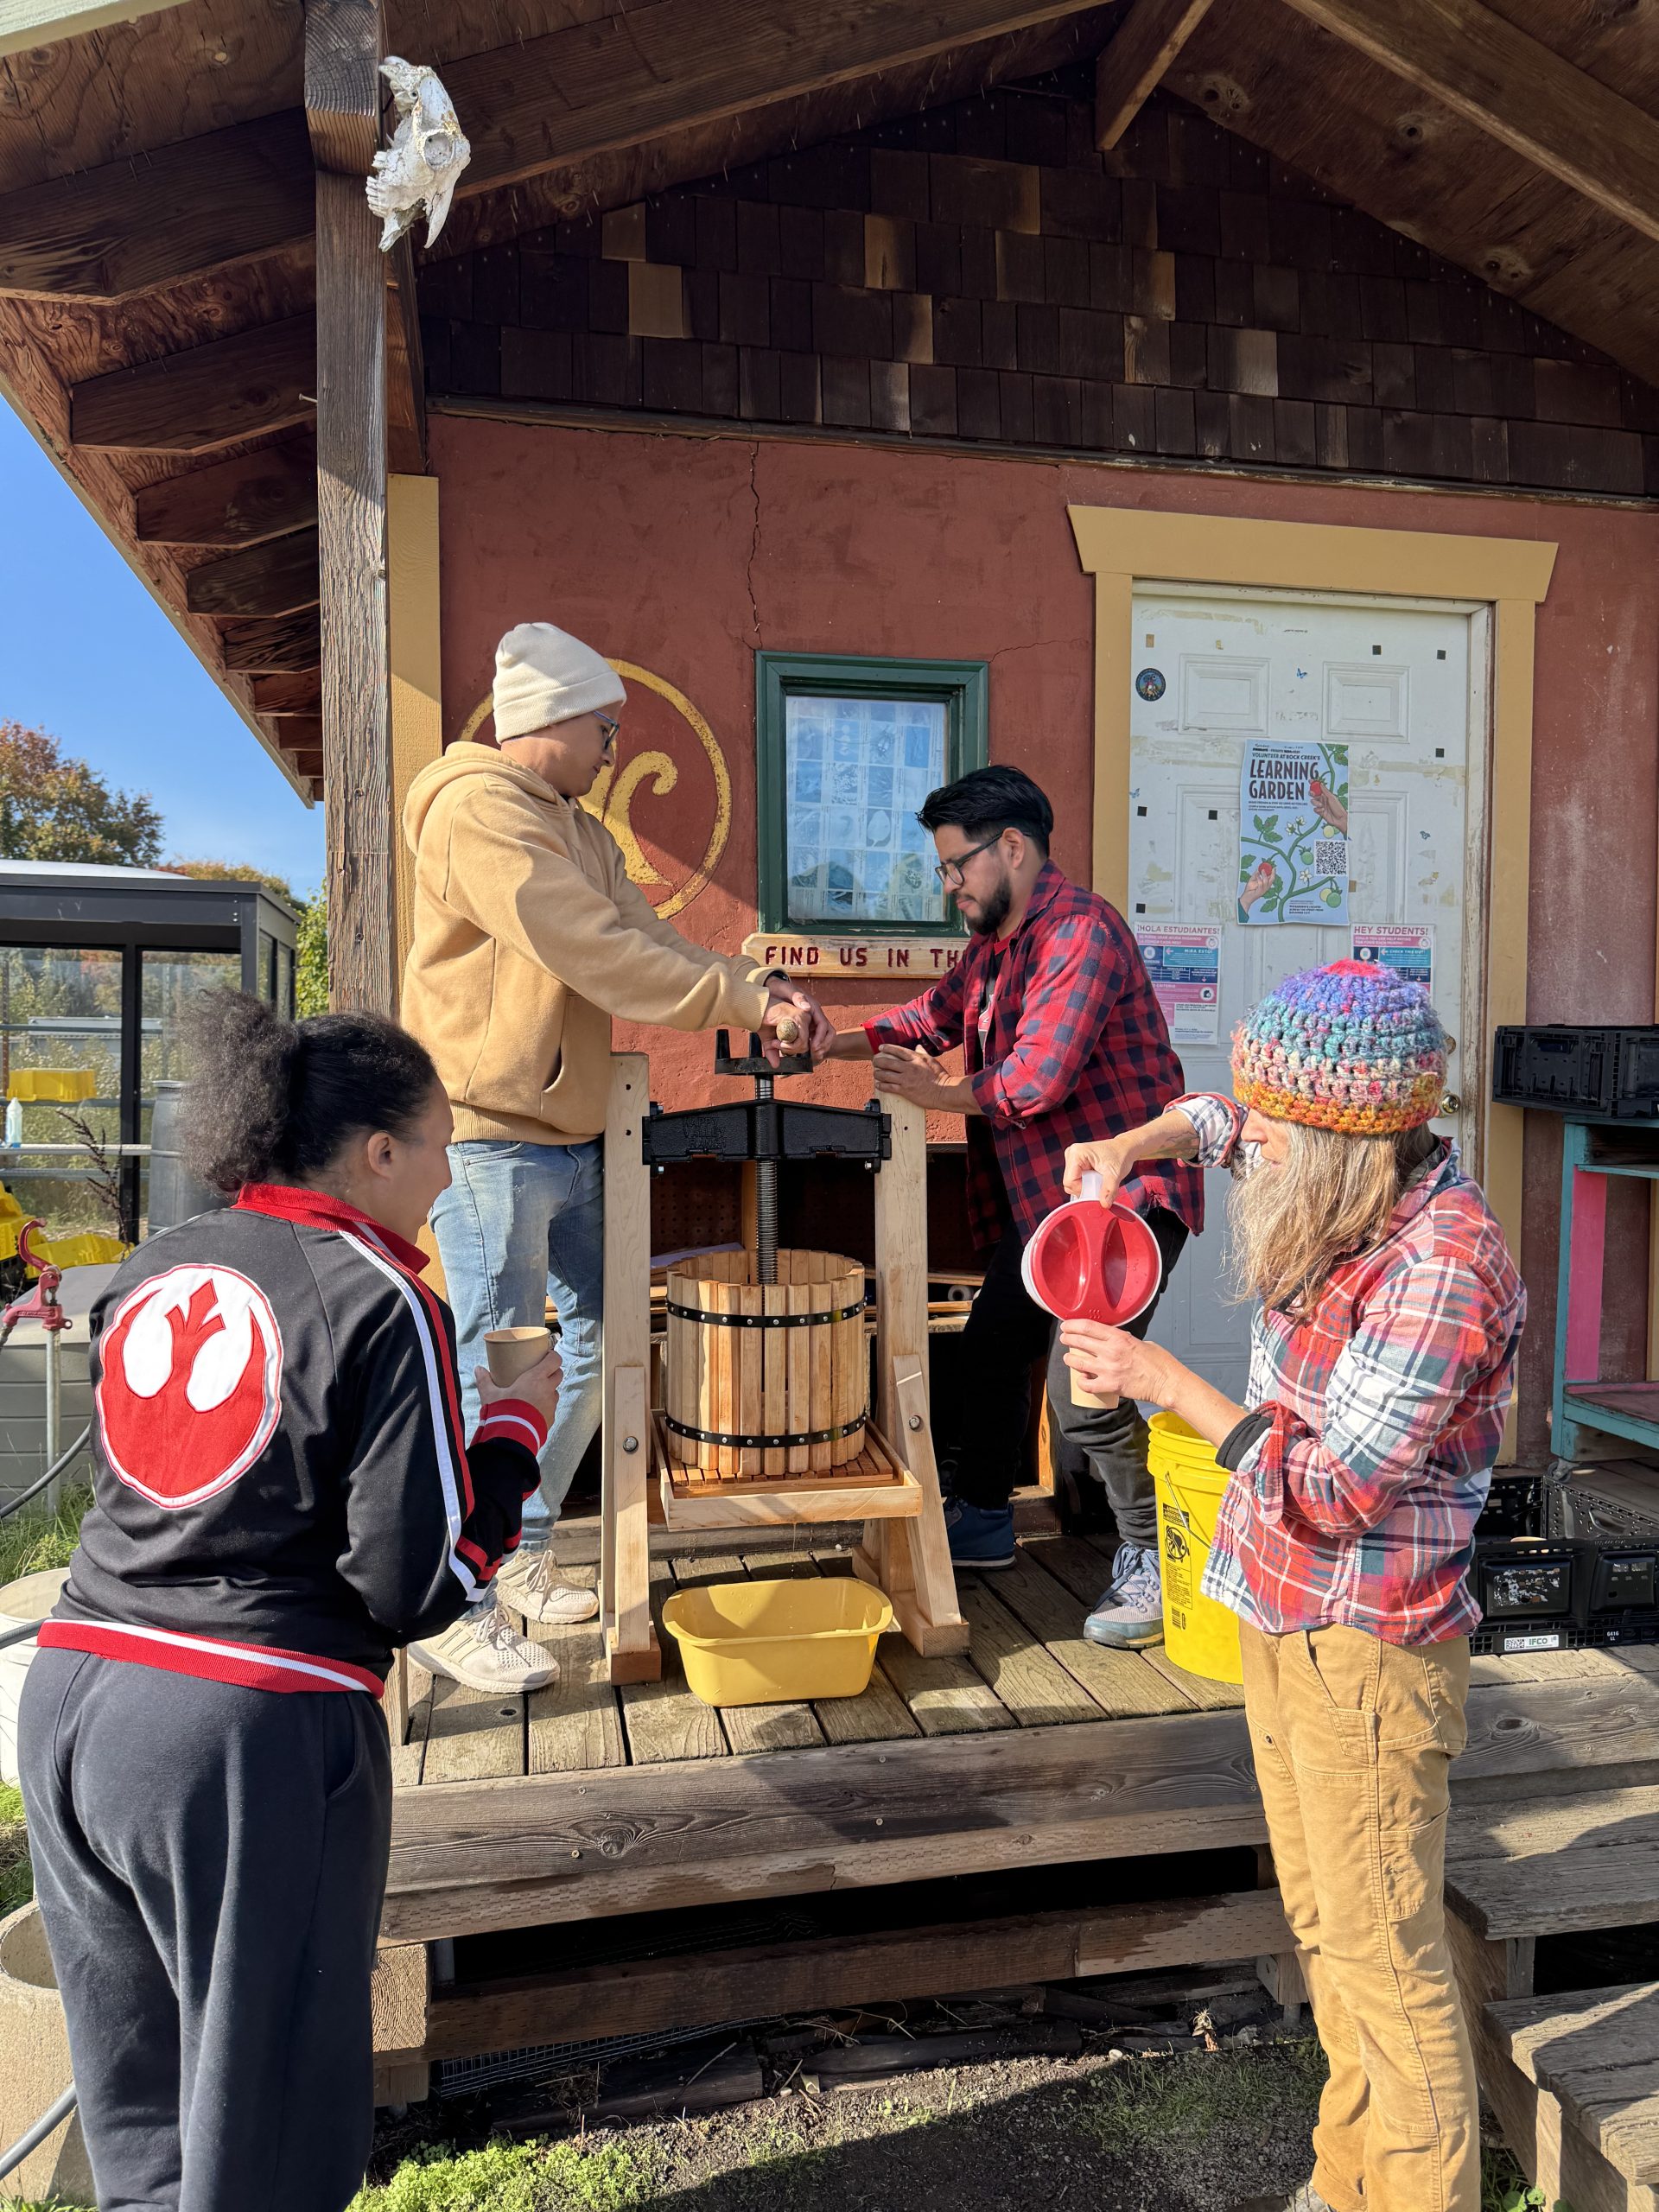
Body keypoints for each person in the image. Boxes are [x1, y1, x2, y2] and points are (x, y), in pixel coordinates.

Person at [19, 991, 559, 2212]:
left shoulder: (159, 1261)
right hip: (241, 1733)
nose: (447, 1175)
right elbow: (414, 1584)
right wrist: (514, 1436)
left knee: (146, 2122)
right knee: (261, 2131)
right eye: (440, 1146)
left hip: (73, 1697)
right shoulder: (384, 1297)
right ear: (379, 1152)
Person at [1058, 960, 1523, 2212]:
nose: (1247, 1137)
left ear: (1343, 1141)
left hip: (1369, 1647)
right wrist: (1131, 1143)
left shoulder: (1444, 1263)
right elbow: (1219, 1117)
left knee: (1389, 1962)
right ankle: (1349, 2182)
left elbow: (1333, 1489)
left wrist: (1167, 1385)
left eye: (1274, 1123)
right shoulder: (1336, 1162)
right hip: (1280, 1611)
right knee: (1325, 1930)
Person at [402, 621, 829, 1690]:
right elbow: (589, 949)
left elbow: (651, 937)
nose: (612, 747)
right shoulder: (477, 810)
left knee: (597, 1348)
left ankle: (519, 1546)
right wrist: (742, 1001)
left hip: (578, 1136)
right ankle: (453, 1600)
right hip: (490, 1139)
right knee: (498, 1369)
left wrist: (761, 987)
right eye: (604, 726)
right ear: (548, 718)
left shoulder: (581, 832)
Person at [823, 763, 1202, 1644]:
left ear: (1014, 848)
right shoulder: (995, 945)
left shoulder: (1081, 933)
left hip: (1126, 1200)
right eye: (943, 868)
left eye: (957, 865)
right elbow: (928, 1015)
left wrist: (937, 1092)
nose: (948, 884)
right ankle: (987, 1519)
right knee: (993, 1348)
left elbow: (1036, 1078)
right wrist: (821, 1044)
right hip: (1050, 1212)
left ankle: (1152, 1555)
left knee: (1087, 1388)